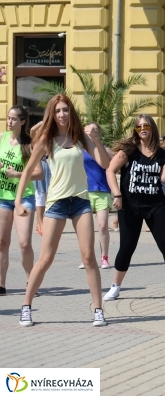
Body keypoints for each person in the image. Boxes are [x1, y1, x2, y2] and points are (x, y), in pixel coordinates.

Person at [17, 94, 111, 327]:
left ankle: (98, 310)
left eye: (65, 110)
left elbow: (105, 163)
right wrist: (19, 201)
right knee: (46, 259)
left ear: (71, 112)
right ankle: (26, 307)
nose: (62, 114)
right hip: (56, 203)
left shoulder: (80, 138)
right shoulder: (46, 140)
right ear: (53, 113)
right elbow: (28, 171)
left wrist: (97, 141)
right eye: (58, 110)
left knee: (89, 256)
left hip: (80, 201)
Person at [102, 115, 165, 302]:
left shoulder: (160, 152)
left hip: (155, 205)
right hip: (130, 207)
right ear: (135, 129)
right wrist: (117, 194)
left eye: (146, 125)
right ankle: (115, 287)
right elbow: (110, 170)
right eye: (139, 126)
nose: (143, 129)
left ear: (152, 128)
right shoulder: (128, 150)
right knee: (126, 247)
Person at [0, 106, 43, 296]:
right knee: (2, 242)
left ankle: (30, 281)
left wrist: (17, 174)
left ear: (23, 121)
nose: (9, 122)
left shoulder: (29, 145)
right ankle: (1, 285)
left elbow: (39, 174)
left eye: (13, 119)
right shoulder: (1, 138)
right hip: (3, 197)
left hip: (24, 197)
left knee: (25, 243)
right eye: (8, 118)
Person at [80, 124, 113, 270]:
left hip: (102, 191)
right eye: (87, 131)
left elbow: (109, 165)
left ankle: (104, 257)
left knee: (103, 225)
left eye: (94, 131)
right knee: (85, 229)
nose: (90, 133)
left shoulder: (104, 150)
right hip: (85, 192)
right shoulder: (80, 150)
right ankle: (86, 257)